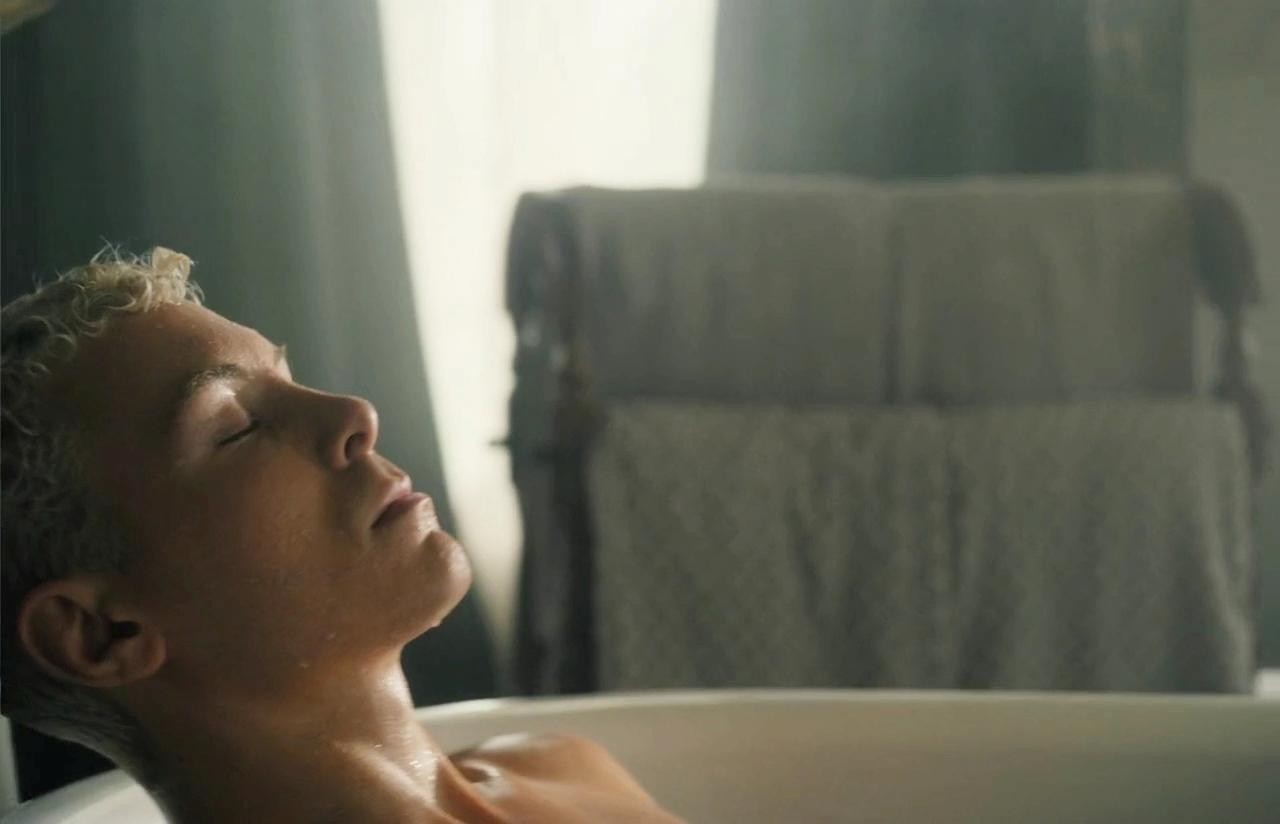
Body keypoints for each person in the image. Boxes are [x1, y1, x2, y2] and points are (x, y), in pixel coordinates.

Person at [1, 248, 684, 823]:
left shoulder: (564, 768)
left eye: (289, 379)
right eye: (236, 427)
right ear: (101, 633)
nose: (355, 415)